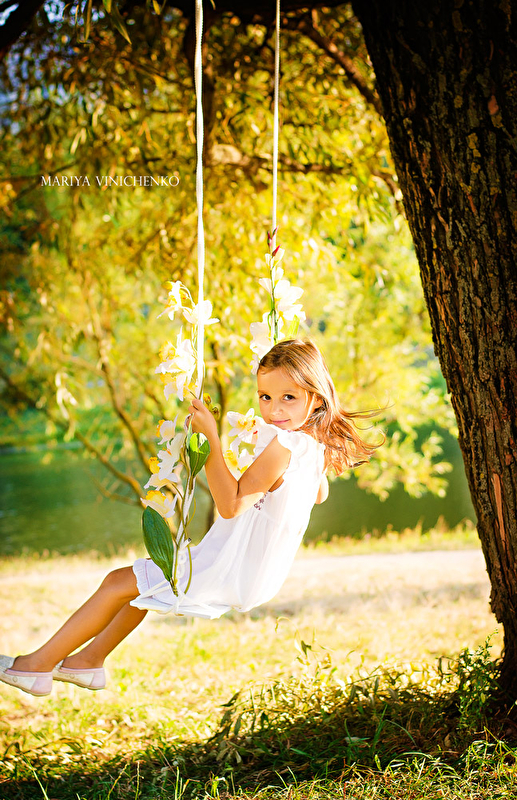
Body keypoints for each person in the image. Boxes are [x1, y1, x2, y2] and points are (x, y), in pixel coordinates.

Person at [0, 339, 380, 697]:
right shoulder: (313, 447)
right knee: (140, 589)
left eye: (288, 398)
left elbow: (231, 505)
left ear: (315, 399)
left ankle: (35, 667)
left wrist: (211, 439)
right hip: (254, 571)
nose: (274, 410)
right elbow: (319, 494)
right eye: (265, 397)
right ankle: (87, 662)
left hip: (229, 567)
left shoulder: (285, 445)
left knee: (117, 582)